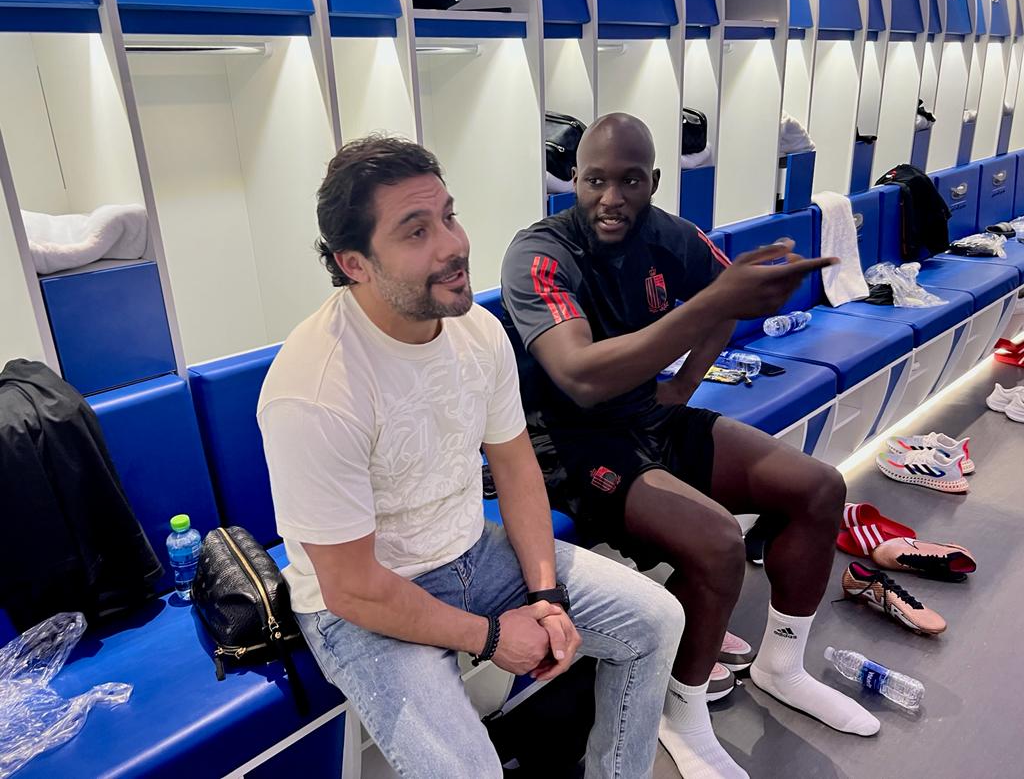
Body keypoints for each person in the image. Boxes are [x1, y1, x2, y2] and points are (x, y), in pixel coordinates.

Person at [257, 135, 685, 778]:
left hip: (473, 551)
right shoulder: (315, 391)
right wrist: (491, 637)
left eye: (448, 216)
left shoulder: (477, 332)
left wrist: (545, 594)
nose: (453, 244)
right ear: (354, 264)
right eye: (416, 231)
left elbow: (514, 465)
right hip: (366, 603)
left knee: (655, 620)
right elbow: (351, 588)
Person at [501, 114, 880, 779]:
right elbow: (581, 376)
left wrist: (685, 384)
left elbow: (727, 300)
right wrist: (707, 310)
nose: (611, 198)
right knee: (718, 543)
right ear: (573, 179)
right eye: (594, 180)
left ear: (653, 180)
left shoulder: (670, 234)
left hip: (653, 417)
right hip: (572, 442)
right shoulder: (541, 253)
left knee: (819, 488)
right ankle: (681, 709)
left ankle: (782, 666)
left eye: (629, 181)